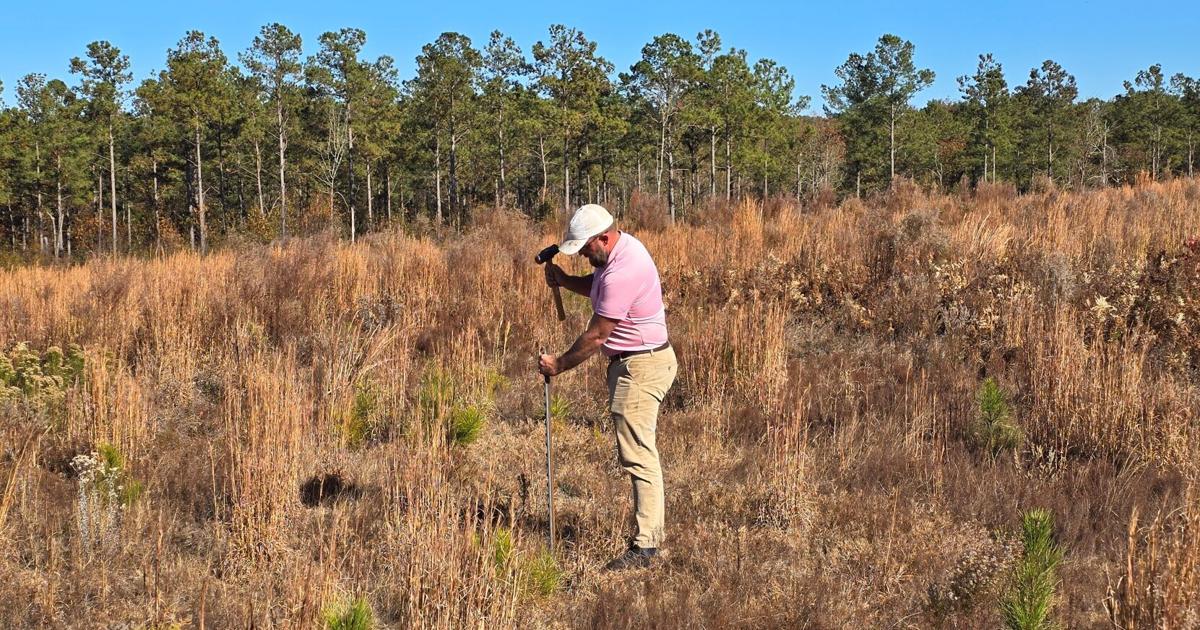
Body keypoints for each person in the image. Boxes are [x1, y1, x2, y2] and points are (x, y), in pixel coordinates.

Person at [538, 203, 677, 571]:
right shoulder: (618, 252)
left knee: (639, 454)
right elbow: (598, 287)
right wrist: (566, 281)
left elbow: (598, 334)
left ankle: (646, 546)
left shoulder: (623, 270)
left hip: (642, 366)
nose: (583, 254)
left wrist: (559, 365)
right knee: (637, 451)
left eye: (585, 247)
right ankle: (648, 537)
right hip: (636, 362)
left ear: (604, 236)